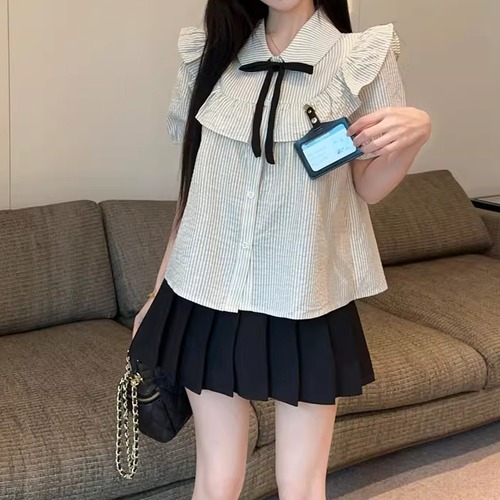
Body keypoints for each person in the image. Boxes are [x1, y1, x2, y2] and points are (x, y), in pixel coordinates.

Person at [132, 0, 431, 499]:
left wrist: (416, 133)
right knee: (217, 480)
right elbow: (194, 195)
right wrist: (156, 292)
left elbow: (368, 188)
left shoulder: (362, 58)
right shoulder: (210, 58)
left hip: (305, 295)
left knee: (300, 484)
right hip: (204, 294)